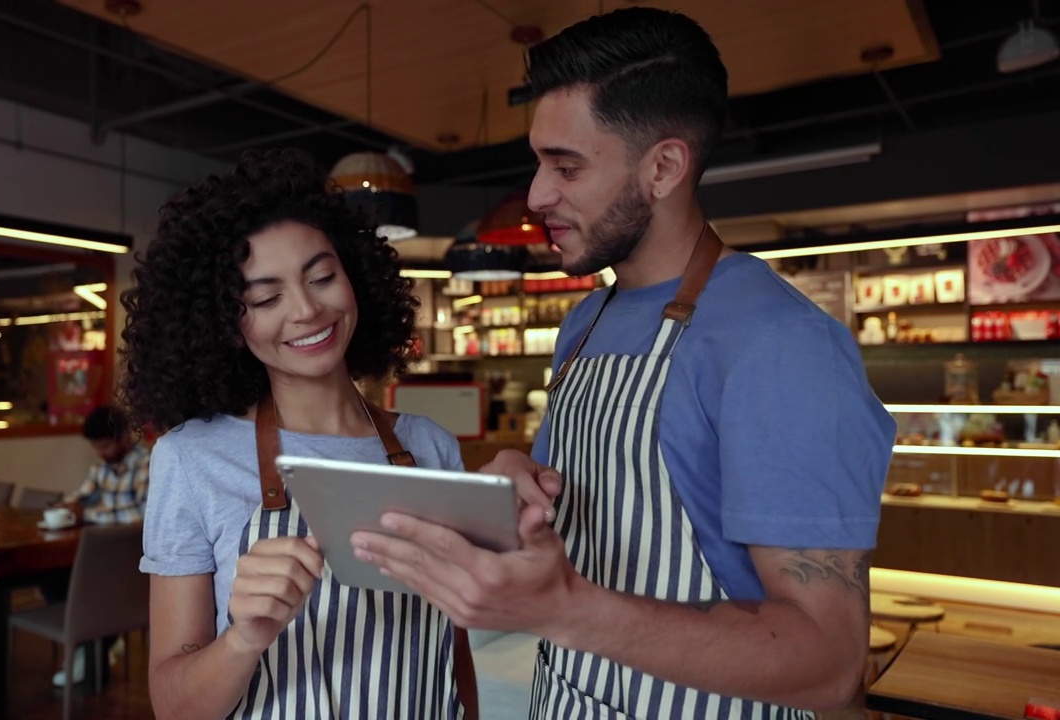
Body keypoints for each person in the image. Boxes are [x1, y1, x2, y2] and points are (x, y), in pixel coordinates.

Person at [350, 7, 897, 719]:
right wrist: (521, 484)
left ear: (664, 166)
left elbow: (829, 662)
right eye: (540, 161)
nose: (539, 194)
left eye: (566, 165)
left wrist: (566, 608)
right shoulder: (587, 320)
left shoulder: (781, 344)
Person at [122, 148, 481, 719]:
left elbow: (452, 659)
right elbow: (174, 708)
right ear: (229, 325)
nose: (309, 309)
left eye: (322, 276)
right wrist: (245, 636)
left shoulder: (431, 448)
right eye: (266, 298)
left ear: (354, 276)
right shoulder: (191, 460)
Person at [45, 404, 150, 687]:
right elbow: (82, 496)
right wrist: (67, 506)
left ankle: (91, 646)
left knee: (87, 581)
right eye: (97, 448)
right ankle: (85, 644)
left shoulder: (147, 464)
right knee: (52, 576)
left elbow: (143, 514)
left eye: (105, 446)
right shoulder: (101, 468)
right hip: (100, 555)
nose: (101, 453)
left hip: (132, 560)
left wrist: (87, 514)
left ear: (124, 437)